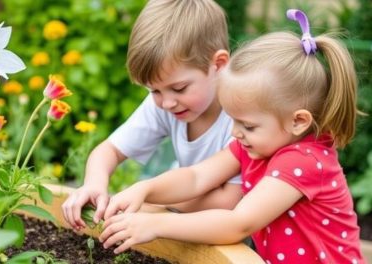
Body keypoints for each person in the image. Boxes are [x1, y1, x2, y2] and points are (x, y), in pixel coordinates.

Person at [99, 9, 366, 263]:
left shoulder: (303, 161)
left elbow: (239, 223)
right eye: (233, 119)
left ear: (298, 121)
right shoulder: (252, 146)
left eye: (248, 125)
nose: (235, 132)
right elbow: (196, 177)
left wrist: (157, 223)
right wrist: (145, 189)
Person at [62, 0, 243, 230]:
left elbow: (229, 201)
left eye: (179, 88)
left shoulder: (242, 118)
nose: (166, 102)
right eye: (154, 90)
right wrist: (94, 184)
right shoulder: (168, 103)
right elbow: (109, 150)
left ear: (218, 65)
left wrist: (148, 199)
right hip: (183, 219)